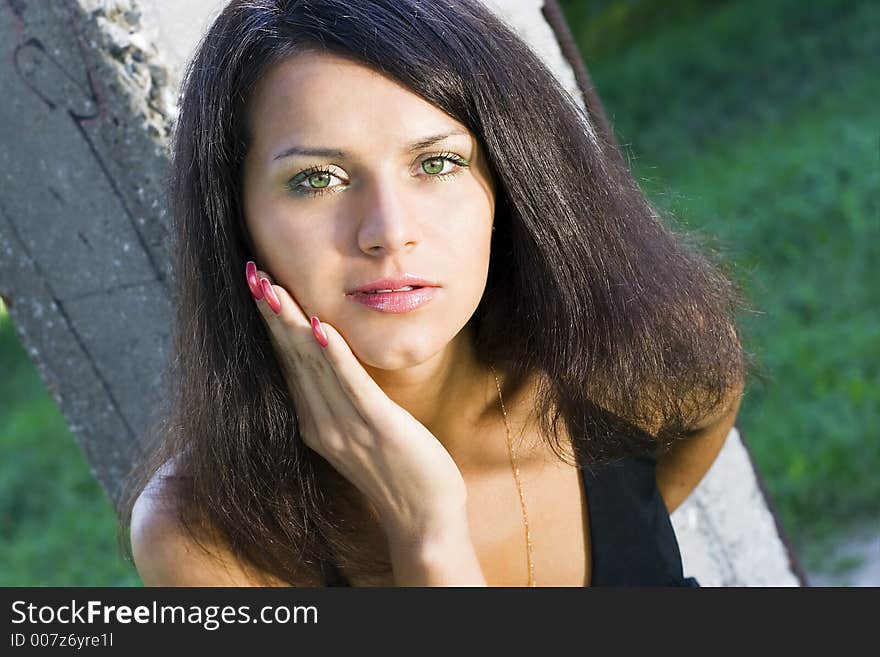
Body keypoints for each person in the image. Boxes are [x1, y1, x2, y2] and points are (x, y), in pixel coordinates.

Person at [121, 0, 750, 587]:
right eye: (317, 179)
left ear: (509, 179)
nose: (389, 233)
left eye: (437, 163)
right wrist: (427, 531)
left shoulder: (636, 367)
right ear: (237, 219)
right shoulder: (204, 540)